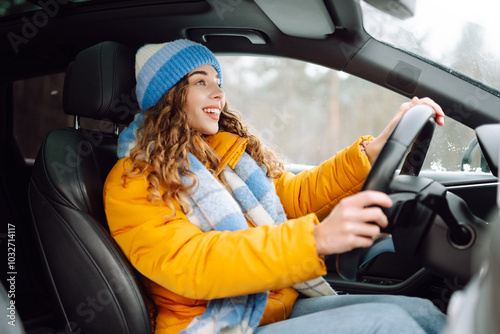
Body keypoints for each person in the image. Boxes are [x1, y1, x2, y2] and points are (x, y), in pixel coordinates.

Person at [103, 39, 447, 334]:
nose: (219, 92)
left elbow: (292, 198)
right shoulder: (133, 179)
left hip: (270, 305)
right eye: (200, 81)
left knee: (423, 314)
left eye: (218, 80)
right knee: (388, 324)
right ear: (168, 95)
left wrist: (372, 153)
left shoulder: (225, 153)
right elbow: (193, 263)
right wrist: (316, 240)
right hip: (212, 323)